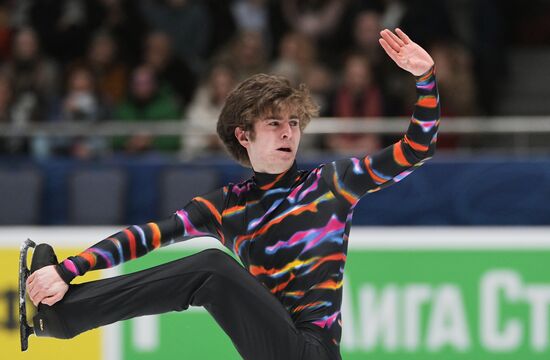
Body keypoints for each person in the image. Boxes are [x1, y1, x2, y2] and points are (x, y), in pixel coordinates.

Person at [25, 29, 439, 360]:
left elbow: (416, 150)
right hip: (273, 346)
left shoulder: (331, 183)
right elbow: (147, 236)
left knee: (211, 267)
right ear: (244, 135)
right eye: (274, 123)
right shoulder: (225, 205)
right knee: (207, 268)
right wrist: (70, 269)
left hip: (314, 352)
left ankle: (63, 319)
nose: (287, 133)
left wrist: (424, 79)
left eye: (293, 123)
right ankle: (62, 314)